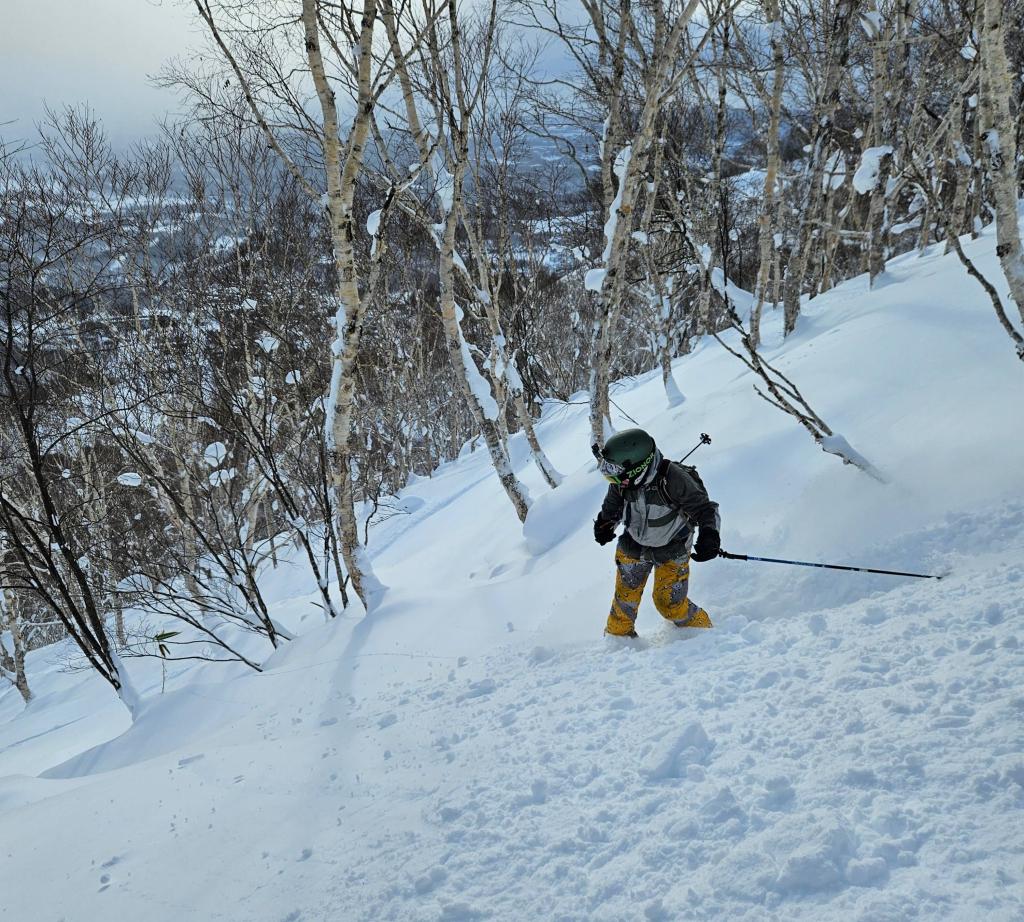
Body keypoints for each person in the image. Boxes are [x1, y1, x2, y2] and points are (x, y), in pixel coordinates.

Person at [593, 428, 721, 637]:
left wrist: (710, 536)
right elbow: (611, 508)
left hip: (672, 549)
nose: (614, 482)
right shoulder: (622, 481)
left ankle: (705, 635)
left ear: (637, 469)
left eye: (617, 476)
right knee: (620, 619)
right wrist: (604, 525)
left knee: (669, 605)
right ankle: (619, 649)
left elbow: (705, 510)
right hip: (633, 547)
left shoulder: (673, 479)